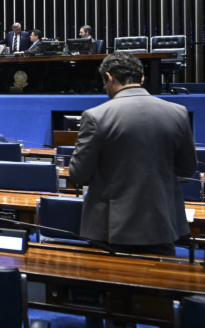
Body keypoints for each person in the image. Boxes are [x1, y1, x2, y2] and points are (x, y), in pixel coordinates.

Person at [69, 52, 195, 255]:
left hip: (111, 230)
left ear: (109, 77)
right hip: (163, 223)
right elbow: (187, 169)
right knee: (161, 284)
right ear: (142, 78)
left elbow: (79, 174)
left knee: (114, 286)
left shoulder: (96, 116)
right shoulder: (178, 112)